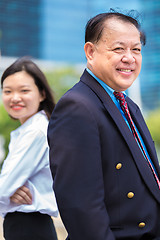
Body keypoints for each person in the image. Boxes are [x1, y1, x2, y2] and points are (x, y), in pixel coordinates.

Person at [47, 10, 160, 240]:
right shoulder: (77, 107)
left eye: (136, 49)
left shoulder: (128, 104)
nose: (129, 57)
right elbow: (81, 208)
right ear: (90, 51)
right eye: (119, 49)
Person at [0, 57, 58, 240]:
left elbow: (4, 187)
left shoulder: (36, 132)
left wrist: (6, 189)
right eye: (7, 91)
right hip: (26, 226)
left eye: (24, 90)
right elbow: (6, 187)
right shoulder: (27, 131)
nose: (15, 98)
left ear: (42, 94)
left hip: (29, 227)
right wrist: (7, 190)